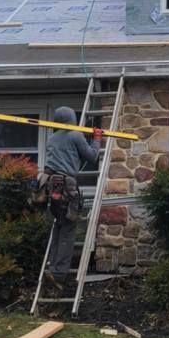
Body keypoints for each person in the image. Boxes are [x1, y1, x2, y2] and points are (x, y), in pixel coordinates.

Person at [39, 106, 104, 292]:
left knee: (59, 226)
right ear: (72, 119)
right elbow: (92, 156)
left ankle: (52, 267)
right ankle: (59, 274)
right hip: (67, 186)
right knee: (68, 228)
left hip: (52, 185)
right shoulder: (75, 135)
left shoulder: (52, 138)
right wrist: (96, 139)